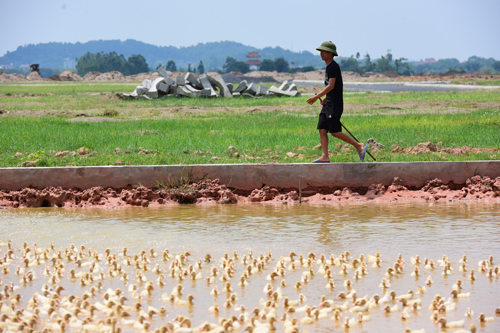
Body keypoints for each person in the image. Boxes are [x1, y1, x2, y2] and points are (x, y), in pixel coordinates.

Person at [306, 41, 369, 163]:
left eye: (324, 51)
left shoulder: (334, 67)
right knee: (322, 128)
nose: (321, 53)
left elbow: (331, 86)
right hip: (328, 103)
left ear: (331, 53)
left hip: (335, 105)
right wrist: (325, 98)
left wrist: (317, 96)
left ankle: (359, 146)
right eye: (320, 51)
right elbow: (331, 88)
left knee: (334, 132)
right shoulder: (328, 67)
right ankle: (325, 156)